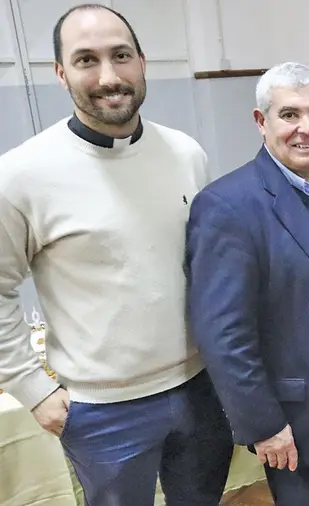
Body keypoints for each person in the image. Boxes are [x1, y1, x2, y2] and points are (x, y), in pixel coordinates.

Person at [0, 4, 234, 505]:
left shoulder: (186, 154)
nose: (109, 76)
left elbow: (214, 270)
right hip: (101, 412)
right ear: (61, 74)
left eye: (120, 56)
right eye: (86, 60)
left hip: (200, 390)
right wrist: (30, 387)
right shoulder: (21, 175)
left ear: (142, 62)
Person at [185, 63, 309, 505]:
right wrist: (263, 425)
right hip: (295, 421)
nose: (306, 128)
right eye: (289, 115)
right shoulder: (227, 205)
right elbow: (223, 334)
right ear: (261, 122)